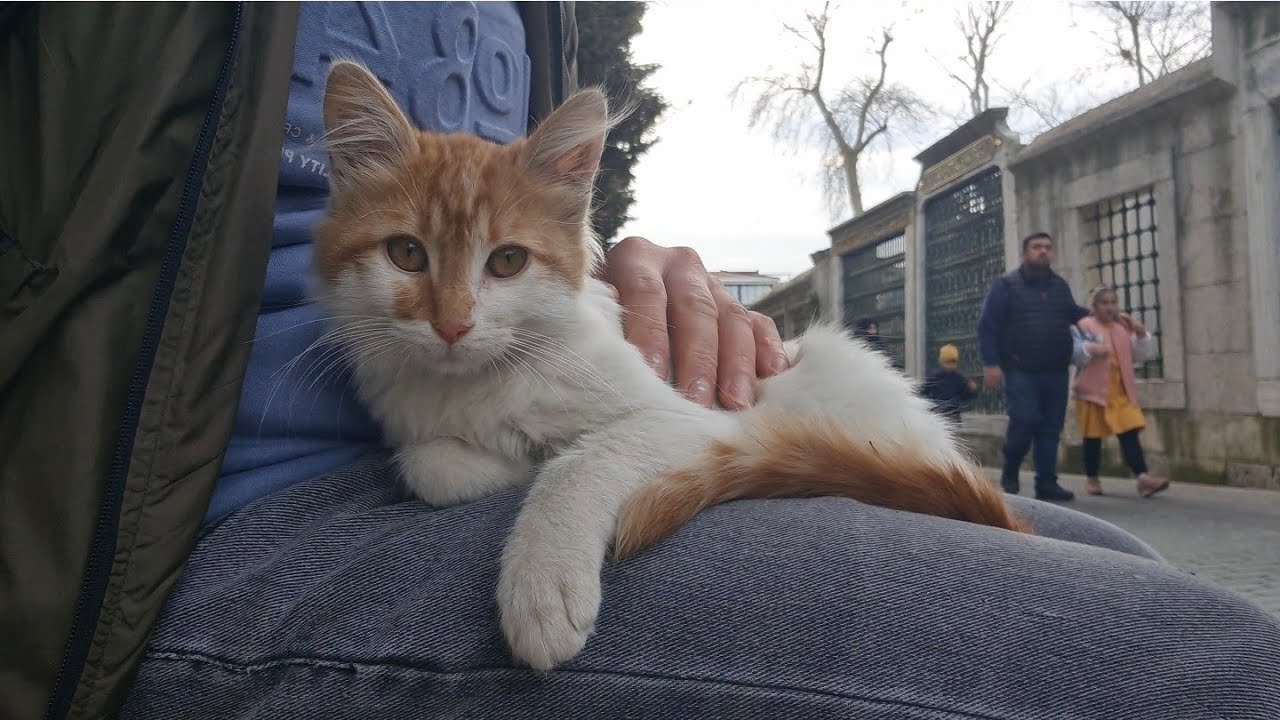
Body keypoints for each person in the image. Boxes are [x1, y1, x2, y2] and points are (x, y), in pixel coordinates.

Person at [4, 5, 1279, 719]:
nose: (447, 314)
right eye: (407, 265)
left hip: (651, 421)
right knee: (1206, 671)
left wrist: (610, 254)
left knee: (1099, 553)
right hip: (200, 531)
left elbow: (520, 235)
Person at [978, 232, 1089, 502]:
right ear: (1025, 253)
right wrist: (991, 364)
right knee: (1025, 420)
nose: (1043, 252)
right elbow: (987, 326)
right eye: (1037, 247)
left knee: (1050, 428)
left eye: (1048, 248)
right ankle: (1011, 471)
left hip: (1056, 370)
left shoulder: (1059, 286)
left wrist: (1103, 316)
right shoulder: (1005, 286)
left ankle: (1047, 483)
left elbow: (1073, 313)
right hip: (1020, 370)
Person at [1073, 286, 1171, 498]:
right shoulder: (1085, 326)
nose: (1109, 307)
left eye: (1112, 302)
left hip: (1120, 393)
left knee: (1130, 433)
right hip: (1093, 392)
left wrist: (1140, 332)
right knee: (1092, 438)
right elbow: (1076, 352)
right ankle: (1092, 477)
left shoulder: (1122, 328)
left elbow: (1139, 354)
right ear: (1095, 306)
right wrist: (1091, 349)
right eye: (1104, 303)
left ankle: (1142, 477)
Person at [921, 344, 978, 425]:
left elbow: (965, 397)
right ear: (941, 363)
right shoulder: (935, 378)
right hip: (937, 415)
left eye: (953, 363)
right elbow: (923, 392)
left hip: (953, 415)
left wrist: (971, 390)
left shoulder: (959, 379)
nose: (951, 366)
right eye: (948, 362)